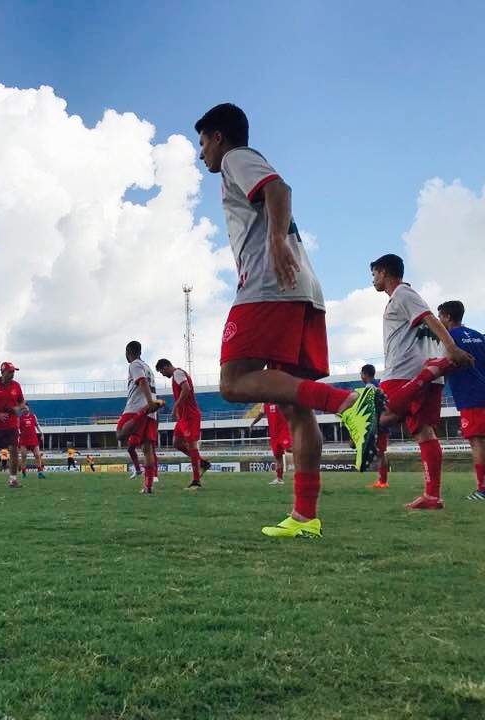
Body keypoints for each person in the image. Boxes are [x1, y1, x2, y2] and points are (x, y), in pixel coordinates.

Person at [195, 103, 380, 538]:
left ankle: (348, 403)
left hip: (267, 284)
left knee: (232, 382)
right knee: (296, 407)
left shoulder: (237, 158)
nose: (201, 153)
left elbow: (277, 188)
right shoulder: (238, 162)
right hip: (303, 288)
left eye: (202, 143)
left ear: (219, 137)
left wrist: (275, 239)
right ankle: (305, 516)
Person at [370, 254, 472, 510]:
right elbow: (429, 321)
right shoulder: (403, 298)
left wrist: (449, 350)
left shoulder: (403, 294)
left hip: (404, 372)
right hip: (423, 374)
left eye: (374, 274)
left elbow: (429, 317)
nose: (373, 280)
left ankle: (432, 371)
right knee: (423, 432)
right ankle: (431, 496)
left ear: (384, 272)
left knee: (381, 416)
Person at [437, 301, 485, 501]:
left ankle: (482, 489)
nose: (438, 321)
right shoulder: (478, 335)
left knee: (477, 441)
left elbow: (445, 364)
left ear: (447, 317)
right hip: (481, 390)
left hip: (470, 395)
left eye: (440, 317)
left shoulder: (450, 338)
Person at [155, 359, 212, 489]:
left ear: (166, 367)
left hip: (190, 416)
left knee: (192, 445)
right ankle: (202, 462)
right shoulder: (177, 375)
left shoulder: (177, 373)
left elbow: (186, 388)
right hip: (183, 417)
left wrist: (175, 406)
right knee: (177, 443)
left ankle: (196, 480)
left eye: (162, 371)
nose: (163, 375)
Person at [115, 341, 162, 494]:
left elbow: (141, 382)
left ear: (128, 352)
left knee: (120, 434)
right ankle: (148, 486)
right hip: (153, 412)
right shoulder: (148, 368)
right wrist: (153, 407)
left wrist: (147, 405)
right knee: (147, 448)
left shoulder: (134, 365)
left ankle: (144, 411)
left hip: (137, 407)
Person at [360, 364, 390, 488]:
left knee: (380, 453)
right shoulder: (378, 387)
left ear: (365, 374)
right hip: (383, 424)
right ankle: (382, 480)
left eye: (361, 373)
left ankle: (382, 481)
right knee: (380, 453)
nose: (360, 376)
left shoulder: (369, 389)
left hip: (378, 425)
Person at [249, 403, 292, 485]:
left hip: (283, 431)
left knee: (288, 448)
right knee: (278, 457)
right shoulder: (264, 403)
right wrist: (253, 423)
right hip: (273, 435)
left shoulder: (279, 398)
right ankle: (279, 478)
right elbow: (261, 414)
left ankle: (305, 455)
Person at [18, 405, 46, 479]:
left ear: (28, 408)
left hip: (33, 439)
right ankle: (23, 473)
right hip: (23, 440)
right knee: (24, 457)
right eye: (23, 408)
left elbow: (37, 425)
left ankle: (40, 473)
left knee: (37, 455)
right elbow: (17, 429)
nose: (24, 409)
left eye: (25, 408)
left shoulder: (33, 416)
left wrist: (41, 433)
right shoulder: (19, 418)